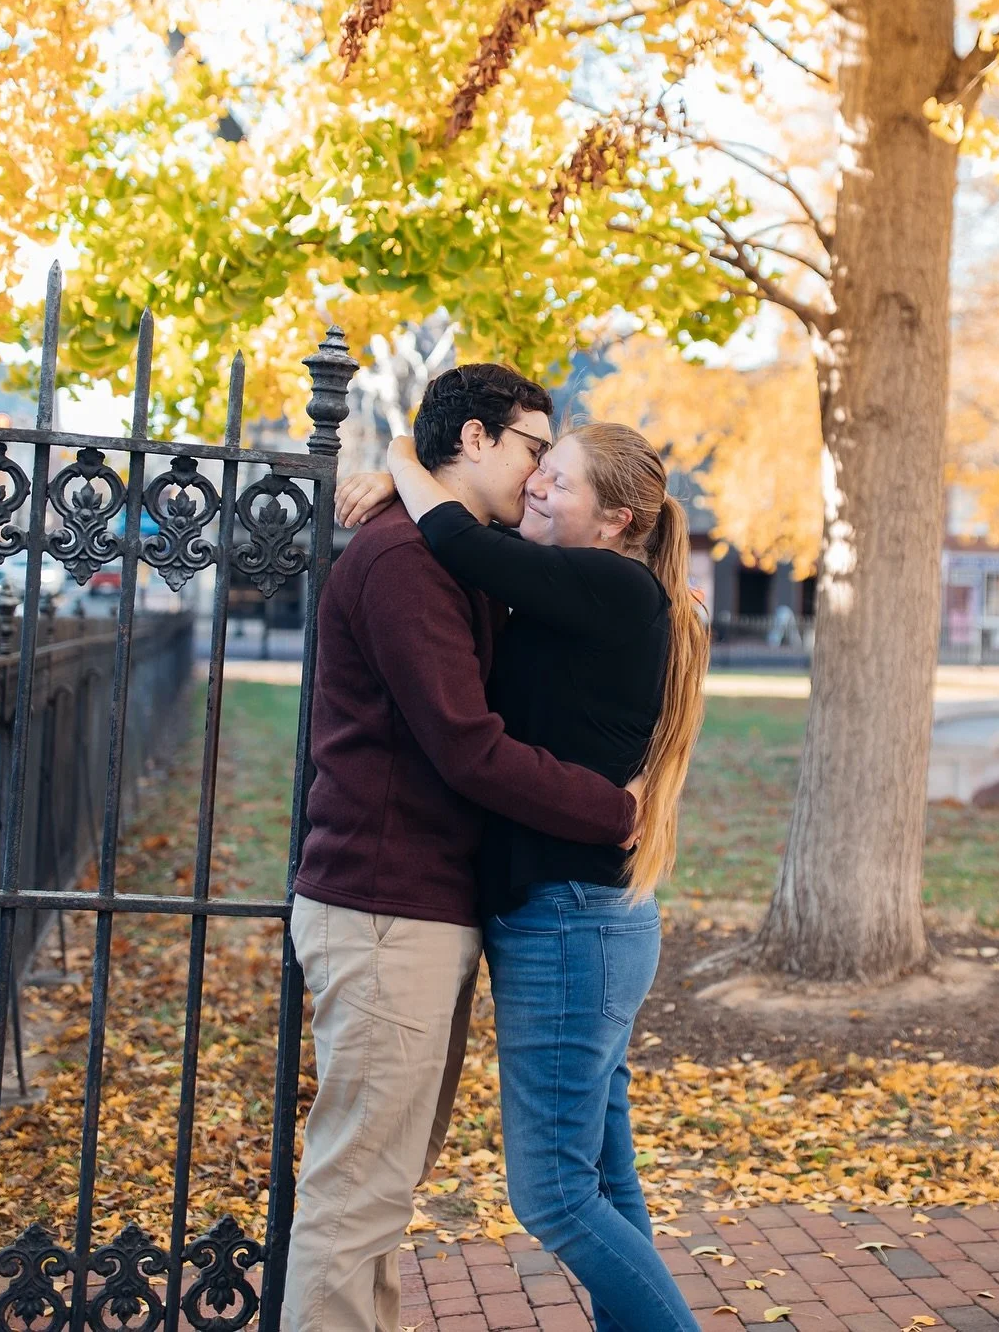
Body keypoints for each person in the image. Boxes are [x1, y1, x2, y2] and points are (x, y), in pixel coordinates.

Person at [282, 366, 639, 1332]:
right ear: (475, 439)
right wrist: (614, 811)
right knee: (358, 1195)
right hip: (384, 911)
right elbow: (468, 746)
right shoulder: (406, 560)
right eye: (533, 448)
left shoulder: (458, 554)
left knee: (380, 1192)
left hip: (424, 911)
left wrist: (397, 463)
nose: (536, 477)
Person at [340, 418, 708, 1332]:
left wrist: (397, 460)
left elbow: (461, 537)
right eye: (538, 470)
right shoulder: (584, 586)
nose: (537, 485)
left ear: (617, 519)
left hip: (573, 921)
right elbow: (478, 539)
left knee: (552, 1196)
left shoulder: (612, 587)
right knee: (604, 1178)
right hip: (579, 917)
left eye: (561, 482)